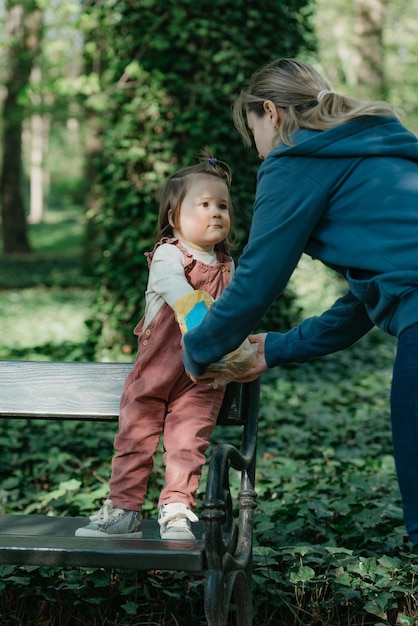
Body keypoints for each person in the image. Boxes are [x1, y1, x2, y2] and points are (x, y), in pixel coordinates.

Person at [182, 58, 418, 552]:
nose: (259, 151)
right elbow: (366, 297)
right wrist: (274, 349)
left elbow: (255, 283)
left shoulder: (293, 160)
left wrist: (196, 350)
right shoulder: (374, 149)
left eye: (254, 134)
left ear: (271, 112)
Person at [76, 155, 238, 541]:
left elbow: (235, 314)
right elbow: (176, 290)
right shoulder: (169, 255)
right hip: (154, 374)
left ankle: (177, 511)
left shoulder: (228, 265)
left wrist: (238, 347)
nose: (216, 212)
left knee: (189, 443)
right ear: (173, 216)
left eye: (223, 205)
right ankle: (124, 512)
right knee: (135, 438)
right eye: (204, 204)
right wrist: (203, 326)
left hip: (201, 378)